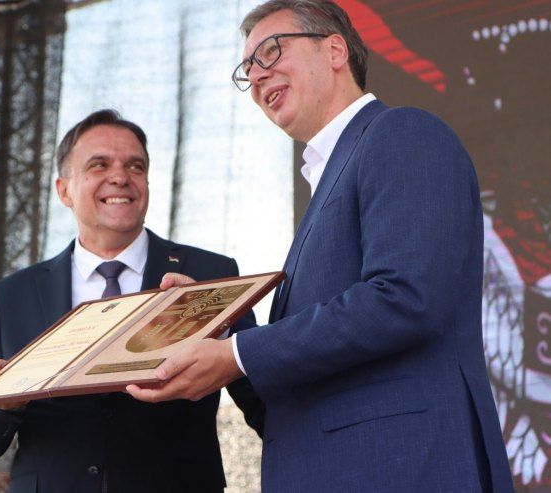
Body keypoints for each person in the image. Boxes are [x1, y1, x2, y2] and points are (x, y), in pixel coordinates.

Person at [127, 1, 514, 491]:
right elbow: (306, 382)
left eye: (271, 51)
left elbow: (405, 298)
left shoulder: (401, 133)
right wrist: (225, 328)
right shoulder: (331, 176)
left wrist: (237, 353)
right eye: (247, 70)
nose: (257, 76)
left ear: (335, 50)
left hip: (403, 469)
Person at [0, 109, 262, 493]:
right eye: (99, 165)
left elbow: (265, 401)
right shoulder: (14, 295)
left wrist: (222, 333)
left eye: (135, 166)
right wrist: (2, 403)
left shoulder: (209, 274)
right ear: (64, 190)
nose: (120, 177)